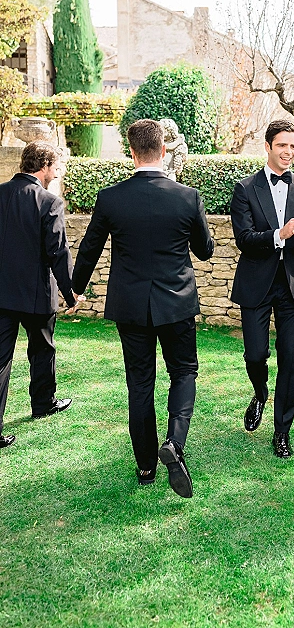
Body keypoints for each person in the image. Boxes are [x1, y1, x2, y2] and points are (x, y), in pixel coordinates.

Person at [72, 119, 213, 497]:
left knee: (140, 384)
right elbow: (205, 250)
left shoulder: (111, 197)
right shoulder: (187, 197)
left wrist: (74, 290)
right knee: (184, 371)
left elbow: (89, 249)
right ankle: (175, 443)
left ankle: (147, 466)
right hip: (177, 303)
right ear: (163, 150)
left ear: (131, 152)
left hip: (131, 306)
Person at [230, 119, 294, 458]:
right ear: (268, 147)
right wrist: (280, 234)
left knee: (291, 359)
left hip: (292, 285)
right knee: (255, 355)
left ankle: (282, 431)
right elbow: (243, 240)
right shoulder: (244, 189)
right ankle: (259, 392)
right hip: (256, 283)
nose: (288, 151)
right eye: (282, 145)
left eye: (293, 145)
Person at [0, 141, 78, 449]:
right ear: (44, 166)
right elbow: (58, 252)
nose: (57, 173)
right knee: (43, 350)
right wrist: (71, 294)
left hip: (1, 295)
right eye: (56, 167)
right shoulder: (49, 202)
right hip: (35, 295)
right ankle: (43, 403)